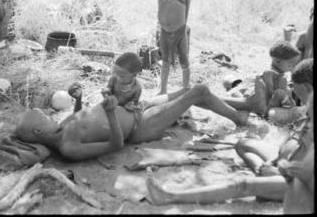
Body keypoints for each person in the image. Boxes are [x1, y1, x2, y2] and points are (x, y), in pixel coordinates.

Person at [145, 59, 314, 209]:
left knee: (242, 184)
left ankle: (169, 196)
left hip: (301, 182)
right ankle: (263, 173)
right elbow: (297, 143)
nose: (300, 101)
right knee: (243, 143)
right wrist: (273, 162)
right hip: (287, 162)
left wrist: (291, 171)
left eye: (300, 95)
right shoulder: (310, 107)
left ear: (308, 88)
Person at [16, 82, 253, 161]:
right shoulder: (68, 147)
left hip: (135, 108)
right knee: (198, 90)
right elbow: (115, 146)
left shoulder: (61, 126)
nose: (49, 115)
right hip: (140, 126)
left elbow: (83, 117)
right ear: (38, 130)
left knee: (189, 90)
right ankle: (238, 118)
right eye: (43, 117)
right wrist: (110, 113)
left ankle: (246, 105)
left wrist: (79, 100)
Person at [221, 41, 302, 117]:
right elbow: (269, 91)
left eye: (295, 63)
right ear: (277, 61)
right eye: (291, 64)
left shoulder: (282, 75)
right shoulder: (269, 73)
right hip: (255, 97)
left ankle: (231, 87)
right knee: (238, 94)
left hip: (260, 99)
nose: (294, 66)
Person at [155, 0, 192, 95]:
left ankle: (186, 88)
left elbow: (186, 13)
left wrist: (181, 29)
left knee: (184, 59)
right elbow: (161, 10)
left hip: (179, 31)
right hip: (164, 31)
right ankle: (163, 89)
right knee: (165, 60)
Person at [69, 52, 143, 114]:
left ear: (134, 75)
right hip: (109, 106)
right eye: (115, 73)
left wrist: (130, 105)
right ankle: (78, 102)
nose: (117, 77)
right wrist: (106, 92)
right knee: (90, 114)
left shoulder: (137, 88)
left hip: (123, 113)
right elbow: (108, 90)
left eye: (122, 76)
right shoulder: (113, 79)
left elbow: (134, 103)